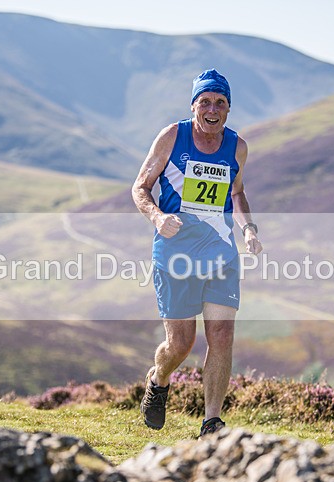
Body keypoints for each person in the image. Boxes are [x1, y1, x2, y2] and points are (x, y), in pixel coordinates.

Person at [131, 69, 262, 438]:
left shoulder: (237, 147)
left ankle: (211, 421)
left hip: (221, 254)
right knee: (180, 344)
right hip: (176, 254)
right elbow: (140, 187)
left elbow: (237, 193)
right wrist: (158, 217)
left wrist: (248, 229)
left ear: (228, 109)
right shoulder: (172, 137)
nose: (212, 109)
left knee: (221, 335)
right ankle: (159, 379)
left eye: (220, 103)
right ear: (193, 106)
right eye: (205, 102)